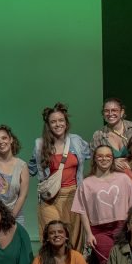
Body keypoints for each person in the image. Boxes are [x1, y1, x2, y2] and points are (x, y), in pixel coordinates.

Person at [72, 145, 132, 264]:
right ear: (94, 159)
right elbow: (82, 211)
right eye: (100, 156)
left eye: (108, 156)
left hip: (122, 227)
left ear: (112, 159)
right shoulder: (87, 183)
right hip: (99, 230)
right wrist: (88, 234)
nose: (104, 159)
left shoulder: (123, 179)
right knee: (109, 263)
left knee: (125, 261)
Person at [28, 103, 91, 250]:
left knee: (73, 240)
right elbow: (30, 168)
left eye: (61, 120)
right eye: (53, 121)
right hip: (49, 198)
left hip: (74, 196)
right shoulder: (40, 144)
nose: (58, 124)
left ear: (66, 122)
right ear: (48, 125)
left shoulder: (76, 141)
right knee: (53, 237)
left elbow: (94, 154)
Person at [0, 125, 29, 226]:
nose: (1, 142)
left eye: (4, 138)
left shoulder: (22, 166)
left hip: (13, 216)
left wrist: (11, 217)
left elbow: (23, 196)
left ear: (11, 139)